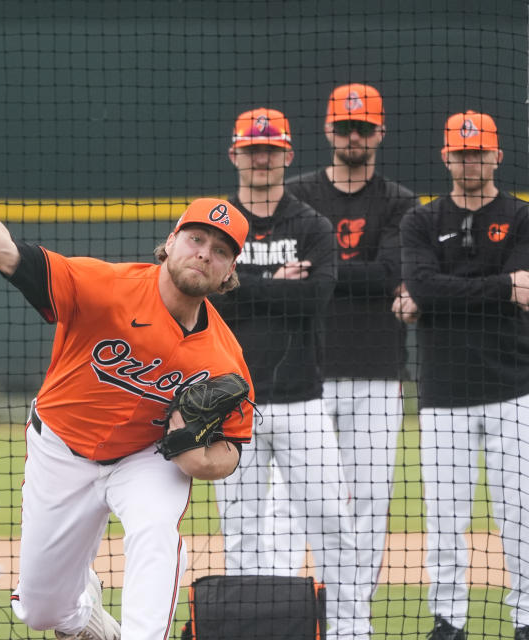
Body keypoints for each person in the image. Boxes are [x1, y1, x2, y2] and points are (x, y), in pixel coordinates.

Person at [0, 133, 254, 640]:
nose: (204, 253)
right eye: (196, 239)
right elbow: (7, 254)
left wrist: (199, 460)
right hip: (61, 449)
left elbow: (234, 447)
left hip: (147, 456)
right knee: (43, 614)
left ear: (228, 273)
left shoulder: (225, 359)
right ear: (171, 242)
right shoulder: (105, 288)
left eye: (220, 250)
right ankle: (86, 613)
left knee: (155, 530)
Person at [209, 107, 372, 640]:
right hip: (232, 402)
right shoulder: (214, 223)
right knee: (241, 535)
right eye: (253, 149)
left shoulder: (311, 225)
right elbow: (203, 297)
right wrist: (275, 281)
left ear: (287, 156)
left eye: (271, 150)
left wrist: (241, 281)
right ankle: (250, 632)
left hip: (303, 401)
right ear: (235, 154)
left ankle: (352, 633)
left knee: (335, 527)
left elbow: (316, 296)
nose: (262, 158)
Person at [272, 83, 418, 595]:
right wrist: (366, 274)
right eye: (345, 126)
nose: (354, 135)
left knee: (369, 499)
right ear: (329, 130)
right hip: (304, 373)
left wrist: (321, 270)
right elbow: (377, 274)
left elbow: (391, 272)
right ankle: (281, 607)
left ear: (380, 132)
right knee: (289, 499)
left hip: (378, 372)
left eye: (364, 127)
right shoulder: (300, 196)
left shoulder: (401, 202)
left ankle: (353, 611)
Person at [395, 110, 529, 640]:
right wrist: (504, 286)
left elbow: (430, 292)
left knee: (521, 517)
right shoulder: (422, 221)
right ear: (445, 155)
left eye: (479, 152)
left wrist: (440, 292)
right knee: (444, 521)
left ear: (497, 155)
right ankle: (449, 621)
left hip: (514, 387)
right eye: (460, 152)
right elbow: (425, 289)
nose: (469, 160)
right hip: (444, 393)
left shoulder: (521, 216)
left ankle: (524, 618)